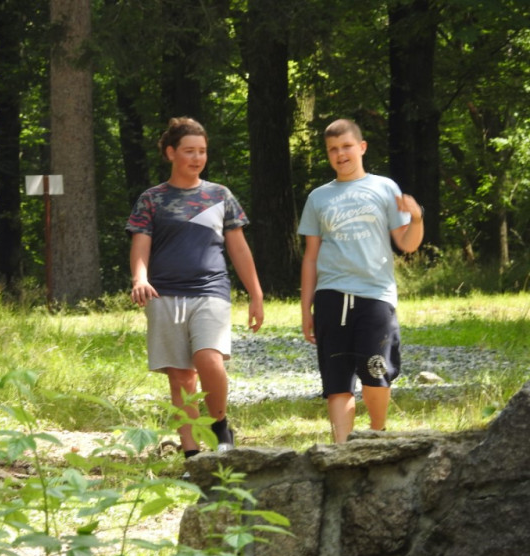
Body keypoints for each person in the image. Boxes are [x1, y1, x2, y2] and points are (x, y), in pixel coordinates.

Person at [126, 117, 264, 458]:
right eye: (189, 151)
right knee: (181, 378)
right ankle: (191, 452)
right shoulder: (152, 199)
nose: (197, 157)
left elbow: (239, 248)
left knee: (208, 358)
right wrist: (140, 279)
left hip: (210, 290)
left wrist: (256, 293)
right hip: (164, 294)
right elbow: (140, 244)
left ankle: (220, 425)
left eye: (202, 151)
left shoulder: (220, 195)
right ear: (171, 153)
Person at [298, 118, 424, 443]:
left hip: (375, 295)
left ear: (362, 147)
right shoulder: (318, 198)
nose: (340, 154)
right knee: (337, 382)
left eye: (347, 146)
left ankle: (377, 437)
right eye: (333, 149)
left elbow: (407, 243)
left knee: (375, 372)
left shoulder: (384, 188)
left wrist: (416, 218)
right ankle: (341, 451)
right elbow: (310, 257)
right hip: (330, 296)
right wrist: (306, 308)